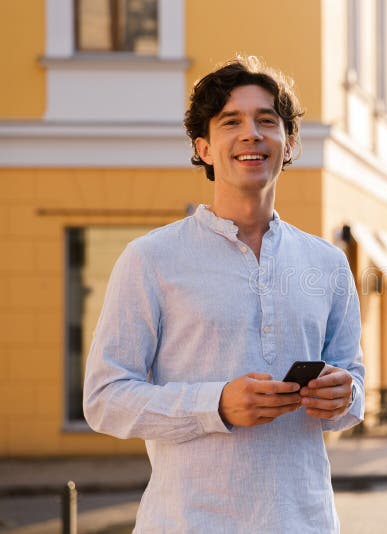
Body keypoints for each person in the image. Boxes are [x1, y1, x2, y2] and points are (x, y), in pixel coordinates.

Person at [83, 56, 364, 533]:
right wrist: (215, 405)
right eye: (231, 121)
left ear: (289, 144)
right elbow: (105, 398)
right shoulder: (151, 258)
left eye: (267, 121)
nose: (251, 133)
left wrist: (344, 395)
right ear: (205, 148)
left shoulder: (328, 264)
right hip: (189, 523)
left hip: (306, 523)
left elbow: (354, 392)